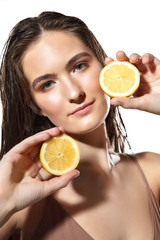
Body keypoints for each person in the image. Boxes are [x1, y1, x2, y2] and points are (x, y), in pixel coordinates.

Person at [0, 11, 160, 240]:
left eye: (79, 66)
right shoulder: (25, 198)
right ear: (35, 106)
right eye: (47, 84)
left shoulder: (153, 171)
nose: (75, 92)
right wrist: (3, 204)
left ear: (104, 64)